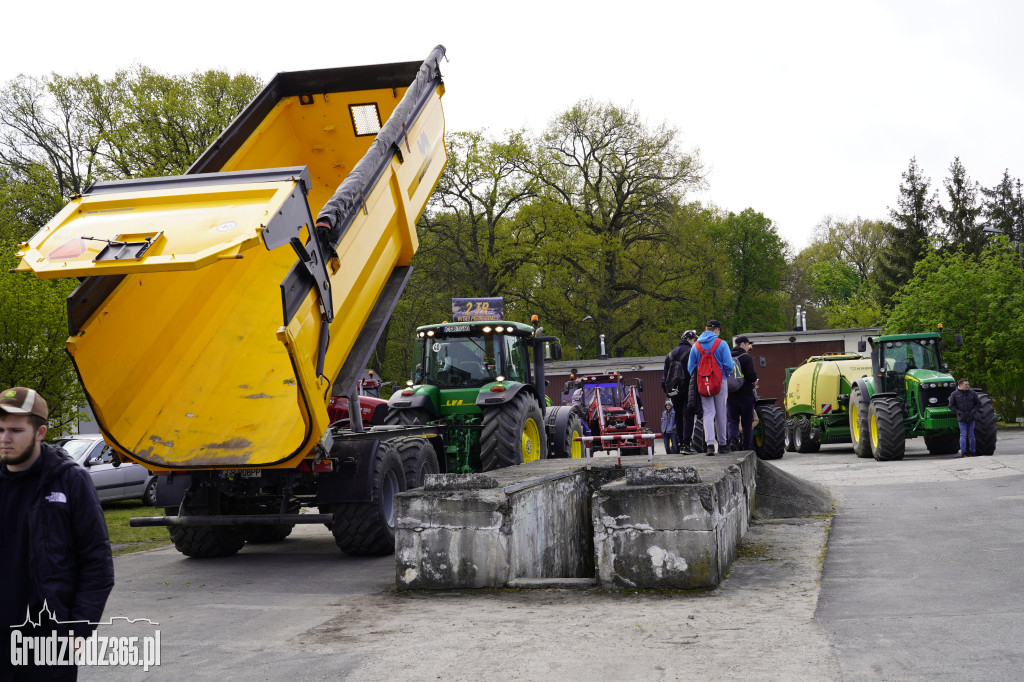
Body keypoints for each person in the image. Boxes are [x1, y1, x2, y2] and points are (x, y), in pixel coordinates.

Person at [1, 387, 115, 680]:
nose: (4, 439)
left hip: (47, 638)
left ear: (40, 432)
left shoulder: (69, 481)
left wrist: (79, 630)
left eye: (15, 430)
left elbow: (97, 561)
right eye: (0, 430)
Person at [687, 320, 735, 455]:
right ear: (716, 330)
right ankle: (723, 445)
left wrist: (702, 377)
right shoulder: (722, 344)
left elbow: (690, 367)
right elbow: (729, 365)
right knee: (721, 413)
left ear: (705, 329)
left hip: (703, 383)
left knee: (708, 413)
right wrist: (723, 376)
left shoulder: (696, 346)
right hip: (720, 382)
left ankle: (709, 446)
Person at [663, 330, 698, 453]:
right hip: (688, 389)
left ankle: (679, 443)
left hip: (674, 391)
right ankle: (686, 445)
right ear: (689, 339)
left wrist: (668, 392)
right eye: (694, 340)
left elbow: (664, 378)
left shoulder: (670, 355)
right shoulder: (692, 352)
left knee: (678, 416)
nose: (695, 343)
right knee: (688, 416)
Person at [727, 335, 758, 451]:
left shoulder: (727, 357)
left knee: (732, 420)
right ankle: (746, 446)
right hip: (745, 395)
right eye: (748, 344)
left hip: (730, 394)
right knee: (746, 421)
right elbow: (752, 377)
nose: (748, 347)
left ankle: (733, 442)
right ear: (743, 344)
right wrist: (755, 381)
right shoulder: (746, 358)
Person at [948, 378, 981, 457]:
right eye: (965, 384)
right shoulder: (955, 394)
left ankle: (972, 451)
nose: (967, 386)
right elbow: (951, 406)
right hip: (962, 418)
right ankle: (964, 452)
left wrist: (973, 411)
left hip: (971, 417)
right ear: (960, 385)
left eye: (968, 384)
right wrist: (958, 412)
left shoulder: (972, 393)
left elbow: (978, 403)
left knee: (971, 435)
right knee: (963, 434)